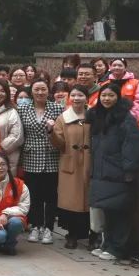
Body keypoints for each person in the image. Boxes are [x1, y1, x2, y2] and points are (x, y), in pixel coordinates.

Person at [86, 83, 139, 261]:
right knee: (107, 211)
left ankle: (118, 248)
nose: (106, 99)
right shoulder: (98, 116)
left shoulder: (125, 118)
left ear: (118, 97)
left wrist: (129, 169)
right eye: (103, 95)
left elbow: (132, 144)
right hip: (102, 171)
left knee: (120, 212)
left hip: (118, 172)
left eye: (111, 95)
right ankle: (107, 245)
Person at [18, 79, 63, 244]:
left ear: (48, 91)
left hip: (51, 155)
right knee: (34, 194)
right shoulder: (23, 108)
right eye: (36, 89)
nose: (40, 92)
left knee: (51, 195)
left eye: (43, 89)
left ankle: (49, 228)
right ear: (31, 91)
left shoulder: (57, 108)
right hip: (31, 156)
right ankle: (35, 225)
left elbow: (62, 132)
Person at [51, 84, 92, 249]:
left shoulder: (93, 116)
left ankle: (92, 235)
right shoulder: (63, 118)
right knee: (71, 201)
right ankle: (72, 234)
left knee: (90, 200)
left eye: (80, 95)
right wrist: (51, 133)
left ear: (86, 98)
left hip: (90, 163)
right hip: (70, 164)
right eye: (73, 95)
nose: (76, 98)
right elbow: (59, 144)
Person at [0, 79, 23, 174]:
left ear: (7, 93)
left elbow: (16, 136)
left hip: (6, 156)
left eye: (2, 91)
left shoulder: (12, 112)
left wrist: (0, 149)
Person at [105, 58, 139, 129]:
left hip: (132, 124)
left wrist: (129, 119)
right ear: (110, 67)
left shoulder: (135, 83)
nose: (117, 67)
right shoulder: (105, 84)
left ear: (125, 68)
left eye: (120, 65)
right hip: (110, 125)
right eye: (114, 65)